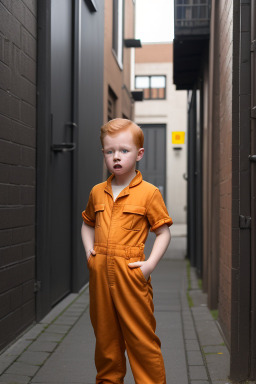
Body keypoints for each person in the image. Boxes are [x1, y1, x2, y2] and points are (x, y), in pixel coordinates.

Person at [81, 118, 173, 384]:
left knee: (141, 340)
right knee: (106, 343)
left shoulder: (149, 193)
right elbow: (87, 224)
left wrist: (149, 266)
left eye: (124, 151)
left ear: (139, 154)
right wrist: (90, 252)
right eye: (110, 152)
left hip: (131, 274)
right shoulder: (97, 192)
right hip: (100, 276)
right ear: (103, 154)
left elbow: (163, 233)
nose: (116, 157)